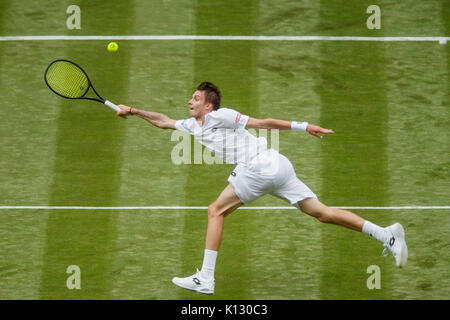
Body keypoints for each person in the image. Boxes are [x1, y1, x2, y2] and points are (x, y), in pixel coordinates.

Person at [117, 82, 408, 295]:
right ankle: (386, 234)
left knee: (215, 211)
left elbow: (263, 122)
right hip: (277, 165)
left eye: (196, 98)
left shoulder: (222, 116)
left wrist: (302, 125)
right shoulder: (193, 125)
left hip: (258, 168)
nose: (190, 101)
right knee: (320, 213)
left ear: (209, 105)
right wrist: (133, 110)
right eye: (191, 98)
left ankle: (205, 278)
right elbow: (164, 121)